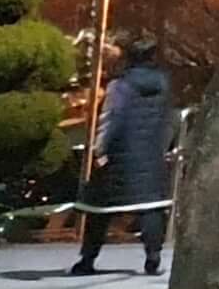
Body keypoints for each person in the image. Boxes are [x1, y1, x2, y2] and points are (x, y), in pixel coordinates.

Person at [71, 36, 174, 276]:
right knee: (150, 207)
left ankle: (88, 258)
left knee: (100, 207)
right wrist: (162, 146)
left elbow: (112, 118)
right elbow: (169, 120)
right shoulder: (164, 84)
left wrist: (100, 147)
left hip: (120, 155)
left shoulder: (121, 85)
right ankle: (153, 257)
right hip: (151, 154)